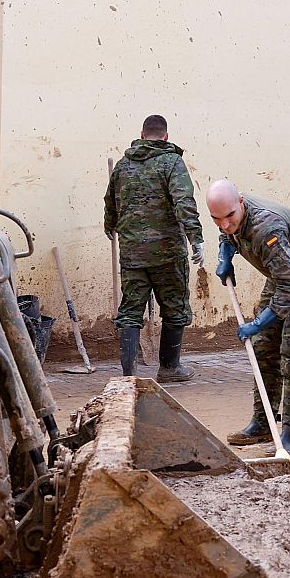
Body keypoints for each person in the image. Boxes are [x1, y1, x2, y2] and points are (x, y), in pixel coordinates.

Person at [208, 179, 290, 456]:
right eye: (217, 219)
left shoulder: (267, 228)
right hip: (283, 274)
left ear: (240, 202)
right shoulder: (230, 217)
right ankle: (263, 423)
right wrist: (225, 251)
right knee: (263, 348)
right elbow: (227, 232)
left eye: (230, 217)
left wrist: (257, 323)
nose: (225, 224)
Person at [104, 114, 205, 380]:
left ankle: (129, 375)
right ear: (166, 136)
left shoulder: (123, 165)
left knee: (130, 311)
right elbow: (184, 201)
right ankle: (170, 369)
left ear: (142, 132)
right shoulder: (172, 162)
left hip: (132, 253)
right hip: (167, 254)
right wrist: (196, 238)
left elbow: (110, 202)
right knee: (174, 308)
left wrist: (110, 225)